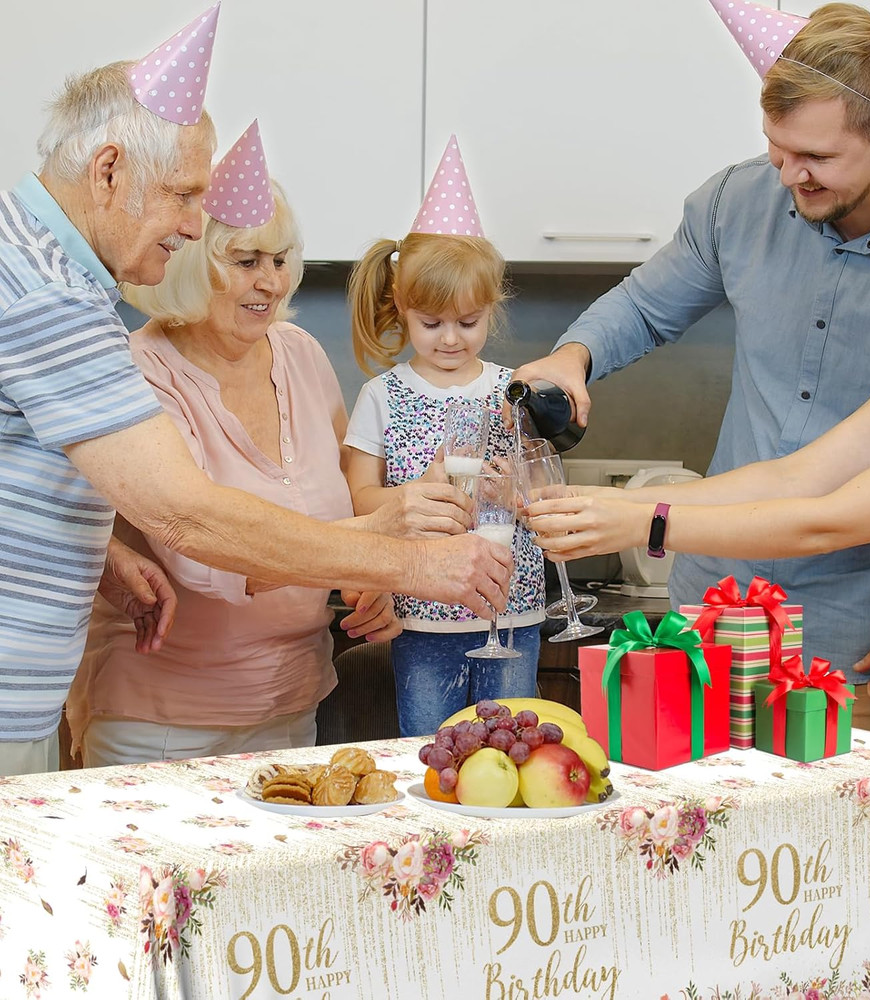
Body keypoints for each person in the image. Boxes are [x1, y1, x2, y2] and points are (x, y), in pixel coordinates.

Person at [0, 41, 509, 775]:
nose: (191, 223)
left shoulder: (27, 259)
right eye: (182, 195)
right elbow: (188, 516)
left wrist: (96, 550)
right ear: (109, 171)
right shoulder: (52, 292)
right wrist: (411, 563)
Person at [510, 2, 870, 741]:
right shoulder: (737, 200)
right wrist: (572, 355)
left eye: (815, 156)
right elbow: (645, 307)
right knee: (694, 829)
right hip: (713, 598)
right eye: (776, 149)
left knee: (846, 842)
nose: (788, 175)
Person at [66, 127, 400, 763]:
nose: (270, 283)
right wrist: (381, 556)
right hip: (160, 723)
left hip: (294, 706)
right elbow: (205, 556)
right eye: (246, 262)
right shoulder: (140, 371)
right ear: (193, 261)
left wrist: (372, 578)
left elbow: (346, 504)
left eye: (280, 261)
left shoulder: (301, 355)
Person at [344, 137, 545, 737]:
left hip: (512, 611)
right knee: (429, 753)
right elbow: (358, 499)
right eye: (431, 324)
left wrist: (518, 492)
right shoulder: (383, 395)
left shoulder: (516, 392)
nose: (451, 339)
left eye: (468, 322)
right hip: (422, 612)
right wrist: (418, 491)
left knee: (510, 754)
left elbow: (547, 493)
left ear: (492, 309)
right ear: (401, 310)